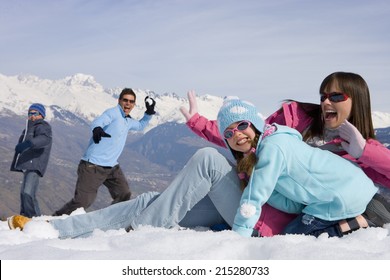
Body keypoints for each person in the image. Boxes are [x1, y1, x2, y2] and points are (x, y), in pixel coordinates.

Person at [181, 72, 390, 235]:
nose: (326, 102)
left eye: (336, 96)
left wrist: (364, 151)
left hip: (279, 219)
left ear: (358, 101)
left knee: (204, 167)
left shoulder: (362, 150)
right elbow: (248, 136)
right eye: (323, 96)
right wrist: (198, 122)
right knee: (163, 199)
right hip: (262, 202)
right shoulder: (297, 118)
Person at [216, 97, 378, 237]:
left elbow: (253, 199)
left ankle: (359, 223)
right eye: (229, 133)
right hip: (349, 186)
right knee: (294, 230)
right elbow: (294, 204)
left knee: (294, 237)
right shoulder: (274, 141)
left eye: (242, 125)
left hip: (343, 196)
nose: (237, 134)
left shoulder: (273, 148)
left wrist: (238, 236)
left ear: (256, 124)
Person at [52, 88, 156, 216]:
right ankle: (53, 221)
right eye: (125, 100)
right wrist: (97, 129)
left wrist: (149, 113)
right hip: (93, 166)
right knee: (82, 202)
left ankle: (110, 219)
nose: (128, 103)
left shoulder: (127, 120)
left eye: (131, 101)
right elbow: (99, 121)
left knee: (124, 194)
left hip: (112, 166)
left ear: (134, 104)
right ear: (119, 101)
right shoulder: (112, 113)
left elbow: (140, 126)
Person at [10, 103, 52, 218]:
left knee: (28, 193)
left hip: (35, 164)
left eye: (35, 113)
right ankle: (25, 215)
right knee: (24, 193)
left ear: (41, 115)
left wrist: (29, 143)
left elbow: (44, 139)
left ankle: (34, 218)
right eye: (30, 113)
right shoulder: (29, 127)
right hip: (28, 164)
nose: (32, 116)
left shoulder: (43, 126)